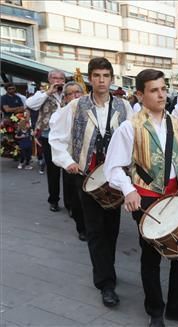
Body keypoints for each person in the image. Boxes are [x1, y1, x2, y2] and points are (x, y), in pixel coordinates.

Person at [104, 69, 178, 327]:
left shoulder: (176, 123)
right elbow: (113, 167)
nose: (161, 94)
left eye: (163, 88)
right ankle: (155, 311)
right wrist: (128, 190)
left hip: (176, 194)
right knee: (151, 257)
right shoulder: (129, 127)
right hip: (146, 198)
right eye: (154, 90)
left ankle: (177, 306)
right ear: (140, 94)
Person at [49, 57, 133, 307]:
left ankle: (107, 269)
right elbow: (57, 137)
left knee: (112, 229)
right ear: (89, 79)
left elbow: (132, 139)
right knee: (95, 231)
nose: (101, 80)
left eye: (105, 76)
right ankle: (105, 283)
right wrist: (67, 162)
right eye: (96, 76)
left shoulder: (124, 107)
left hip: (115, 177)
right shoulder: (75, 106)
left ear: (112, 78)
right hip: (86, 177)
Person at [51, 81, 86, 240]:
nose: (75, 96)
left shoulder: (91, 111)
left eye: (77, 92)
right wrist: (67, 161)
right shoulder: (60, 114)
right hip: (72, 163)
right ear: (65, 98)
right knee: (77, 198)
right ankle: (82, 229)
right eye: (70, 93)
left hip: (91, 162)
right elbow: (57, 140)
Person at [27, 70, 66, 212]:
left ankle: (71, 203)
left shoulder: (68, 92)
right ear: (49, 80)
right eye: (55, 78)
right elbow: (31, 104)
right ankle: (53, 200)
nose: (58, 80)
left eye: (61, 78)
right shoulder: (42, 93)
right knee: (53, 169)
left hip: (66, 136)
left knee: (69, 171)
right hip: (48, 135)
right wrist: (49, 92)